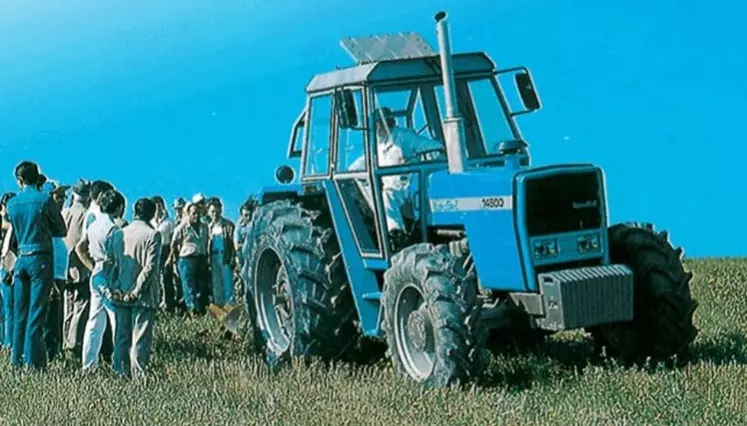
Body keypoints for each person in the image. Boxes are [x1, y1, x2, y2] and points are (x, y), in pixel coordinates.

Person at [351, 107, 444, 248]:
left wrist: (439, 149)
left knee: (388, 197)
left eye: (379, 125)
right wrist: (353, 170)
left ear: (387, 123)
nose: (376, 129)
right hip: (393, 187)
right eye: (375, 126)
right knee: (386, 196)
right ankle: (396, 234)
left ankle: (397, 233)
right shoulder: (378, 144)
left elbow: (426, 145)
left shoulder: (404, 137)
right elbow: (365, 161)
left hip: (410, 184)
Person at [4, 161, 67, 370]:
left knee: (19, 312)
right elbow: (61, 229)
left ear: (19, 180)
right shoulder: (44, 199)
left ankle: (16, 360)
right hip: (41, 257)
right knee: (36, 312)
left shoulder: (12, 204)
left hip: (22, 256)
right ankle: (33, 363)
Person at [111, 198, 161, 378]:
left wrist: (116, 287)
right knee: (140, 337)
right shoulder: (153, 235)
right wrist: (137, 291)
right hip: (144, 294)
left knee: (121, 336)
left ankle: (119, 372)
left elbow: (113, 264)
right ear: (152, 214)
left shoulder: (119, 234)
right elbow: (150, 267)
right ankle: (139, 375)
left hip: (121, 290)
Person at [76, 189, 125, 372]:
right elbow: (120, 258)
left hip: (96, 270)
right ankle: (120, 365)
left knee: (94, 322)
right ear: (118, 207)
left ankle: (88, 365)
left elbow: (80, 248)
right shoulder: (115, 230)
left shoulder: (93, 226)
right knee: (116, 321)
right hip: (110, 272)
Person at [62, 180, 91, 356]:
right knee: (80, 307)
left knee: (68, 306)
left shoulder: (65, 212)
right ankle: (74, 343)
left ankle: (66, 340)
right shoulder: (85, 214)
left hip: (65, 266)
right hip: (79, 266)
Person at [168, 203, 209, 316]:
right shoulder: (182, 227)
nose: (196, 216)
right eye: (193, 213)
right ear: (188, 214)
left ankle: (201, 311)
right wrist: (175, 260)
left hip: (201, 259)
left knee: (200, 287)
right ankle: (193, 312)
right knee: (189, 287)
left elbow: (206, 242)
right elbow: (174, 243)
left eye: (198, 213)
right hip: (187, 259)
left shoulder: (204, 227)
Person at [206, 198, 236, 306]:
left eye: (216, 211)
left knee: (227, 283)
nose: (215, 214)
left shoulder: (228, 225)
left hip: (225, 256)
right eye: (212, 211)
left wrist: (233, 257)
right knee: (216, 283)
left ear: (221, 210)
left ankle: (231, 307)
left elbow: (233, 243)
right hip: (214, 257)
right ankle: (219, 307)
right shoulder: (208, 227)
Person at [0, 192, 17, 351]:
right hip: (5, 268)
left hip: (8, 268)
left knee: (9, 309)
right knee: (6, 310)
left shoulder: (13, 226)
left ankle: (8, 343)